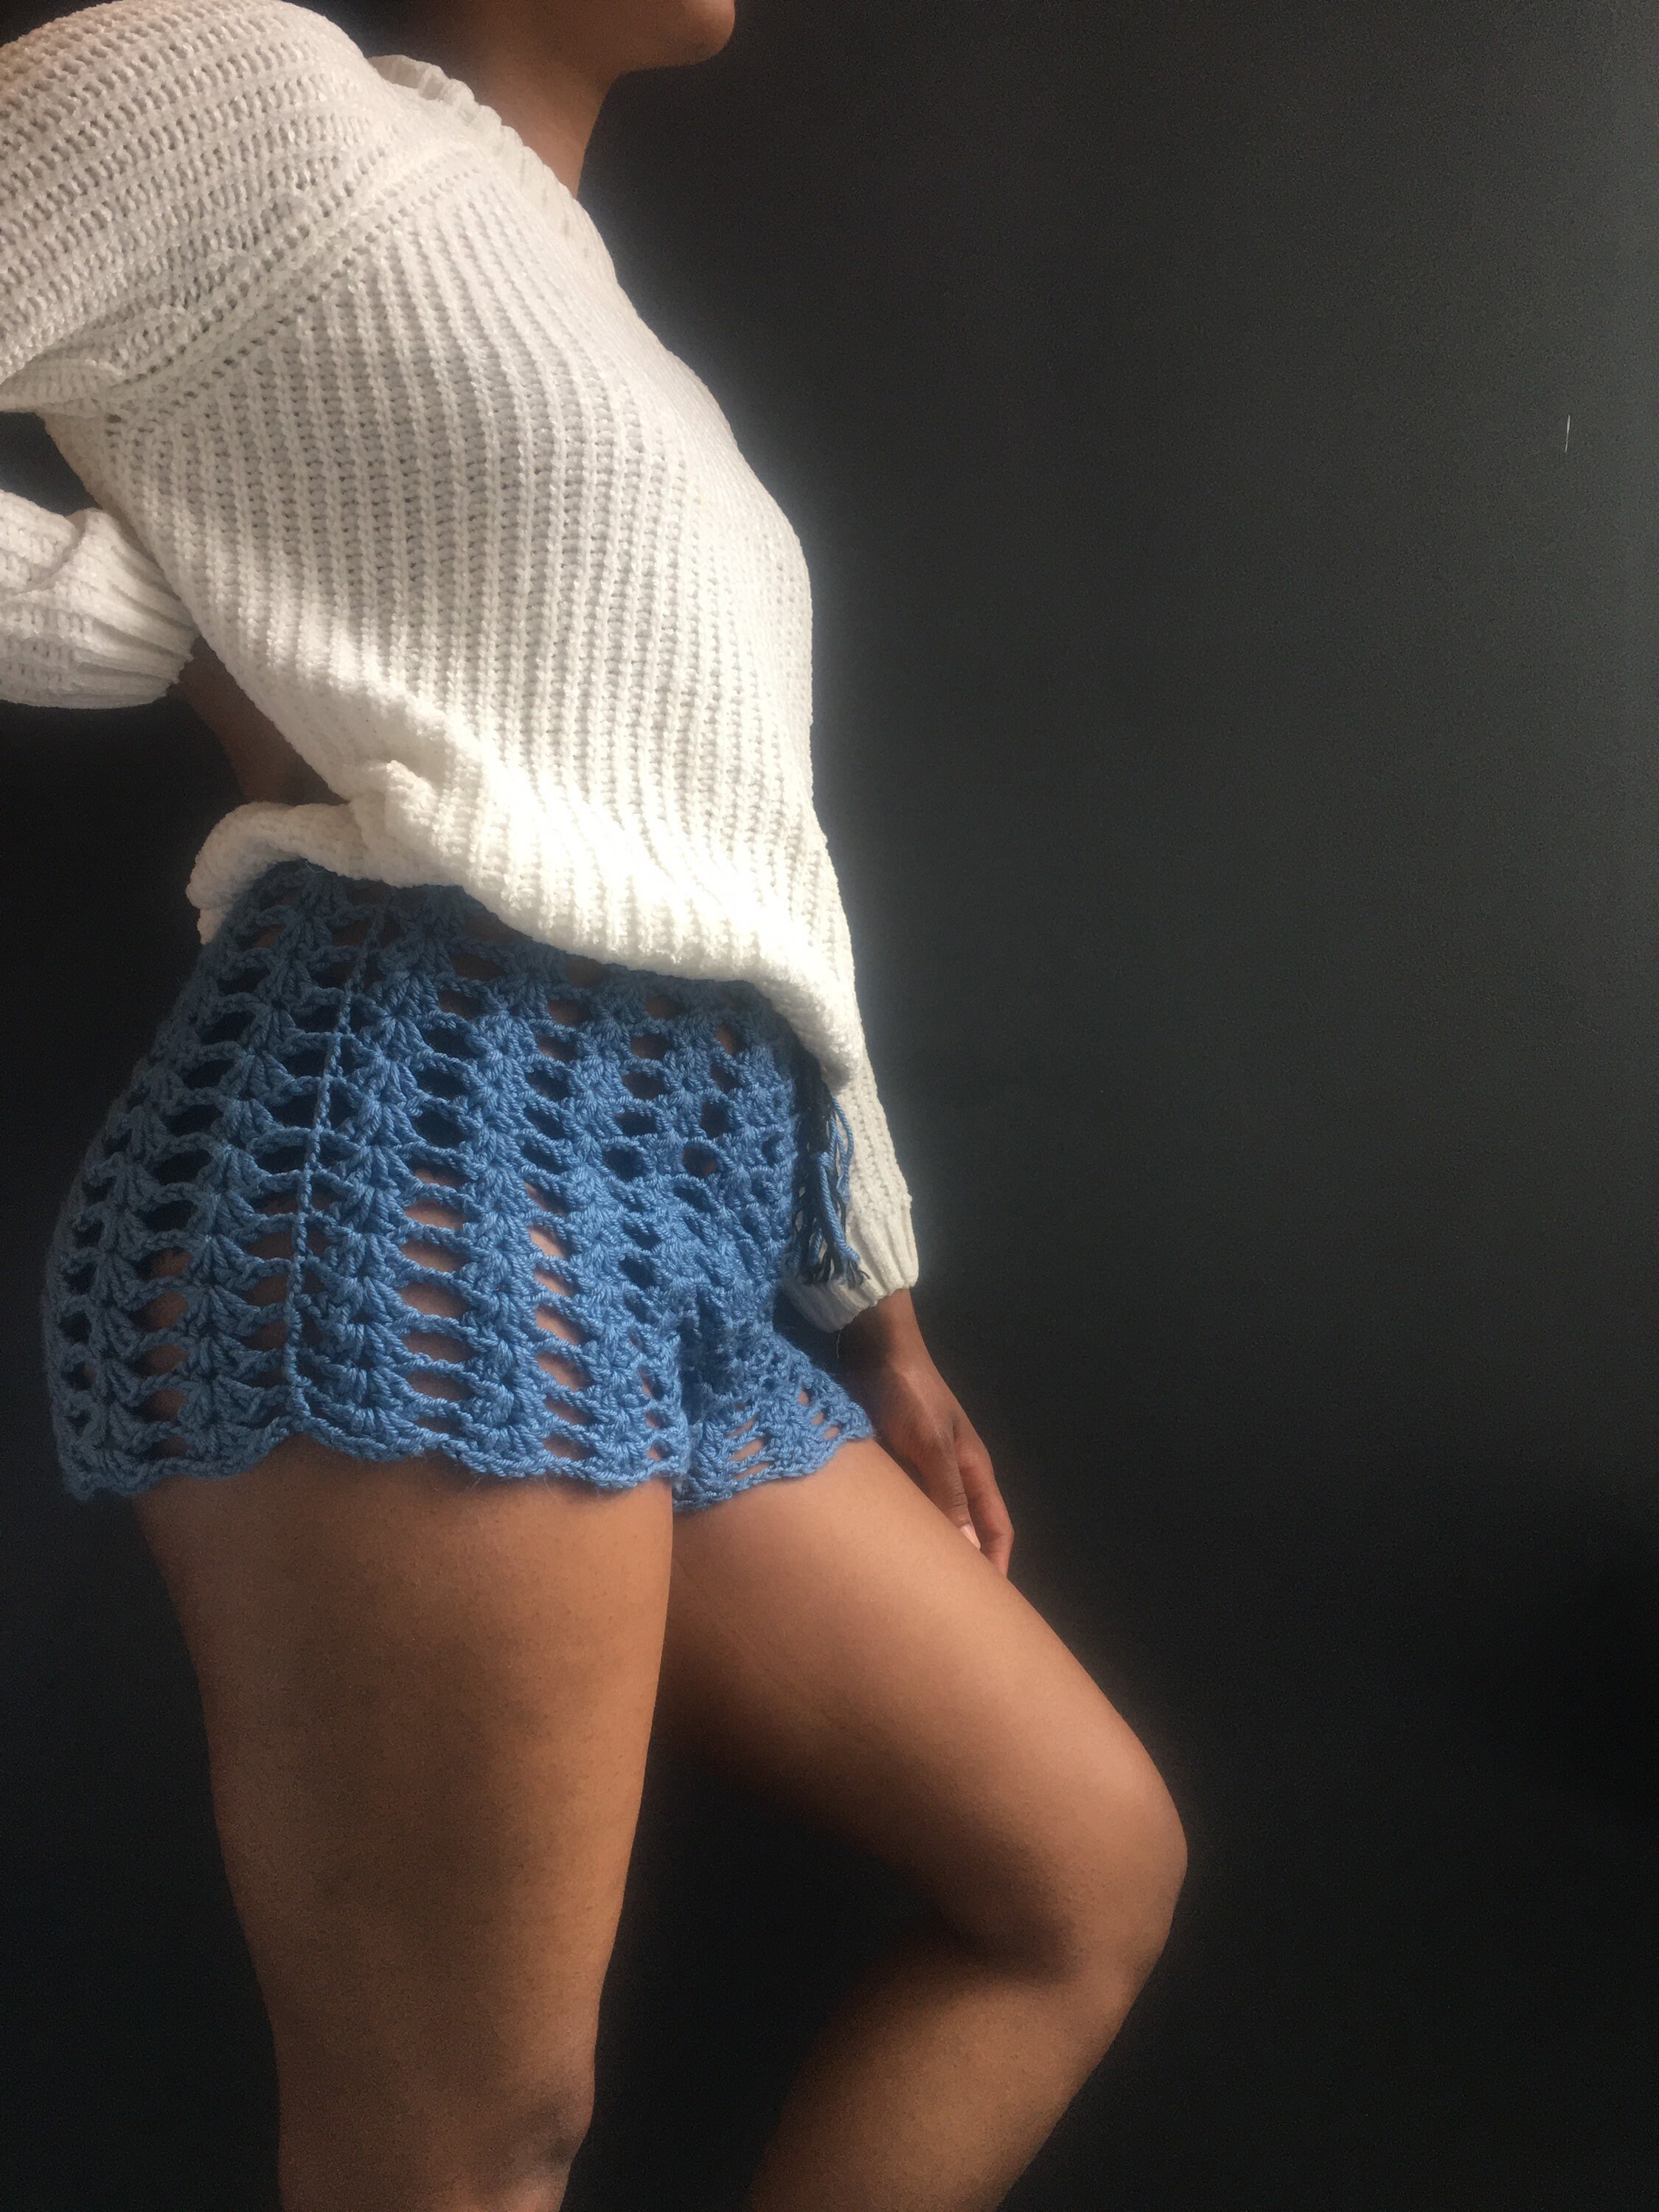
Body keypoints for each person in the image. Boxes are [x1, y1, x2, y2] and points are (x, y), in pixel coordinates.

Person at [0, 1, 1188, 2205]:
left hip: (684, 1212)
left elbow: (754, 854)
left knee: (1081, 1870)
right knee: (463, 2144)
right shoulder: (252, 93)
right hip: (414, 1136)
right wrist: (123, 623)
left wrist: (877, 1304)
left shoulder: (605, 325)